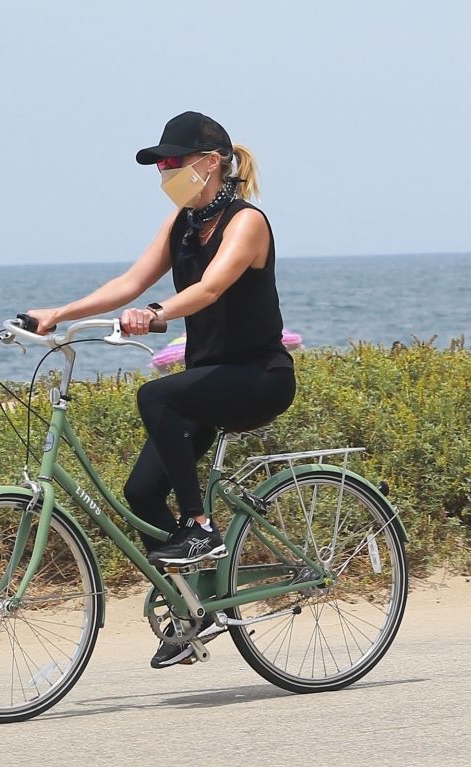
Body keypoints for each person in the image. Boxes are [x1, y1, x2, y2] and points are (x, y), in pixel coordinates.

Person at [25, 111, 296, 667]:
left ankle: (201, 528)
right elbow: (129, 282)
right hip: (210, 379)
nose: (166, 173)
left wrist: (156, 313)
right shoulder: (181, 223)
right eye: (162, 165)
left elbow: (213, 287)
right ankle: (190, 611)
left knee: (156, 396)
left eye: (174, 162)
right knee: (142, 493)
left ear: (212, 162)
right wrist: (58, 313)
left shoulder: (248, 223)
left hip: (259, 378)